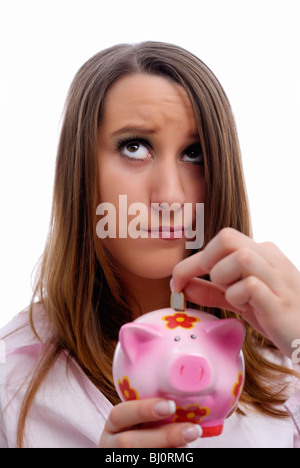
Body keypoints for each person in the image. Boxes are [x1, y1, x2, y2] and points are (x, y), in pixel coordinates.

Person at [1, 41, 300, 448]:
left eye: (194, 153)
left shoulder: (285, 359)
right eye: (135, 147)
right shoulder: (11, 384)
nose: (171, 197)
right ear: (81, 170)